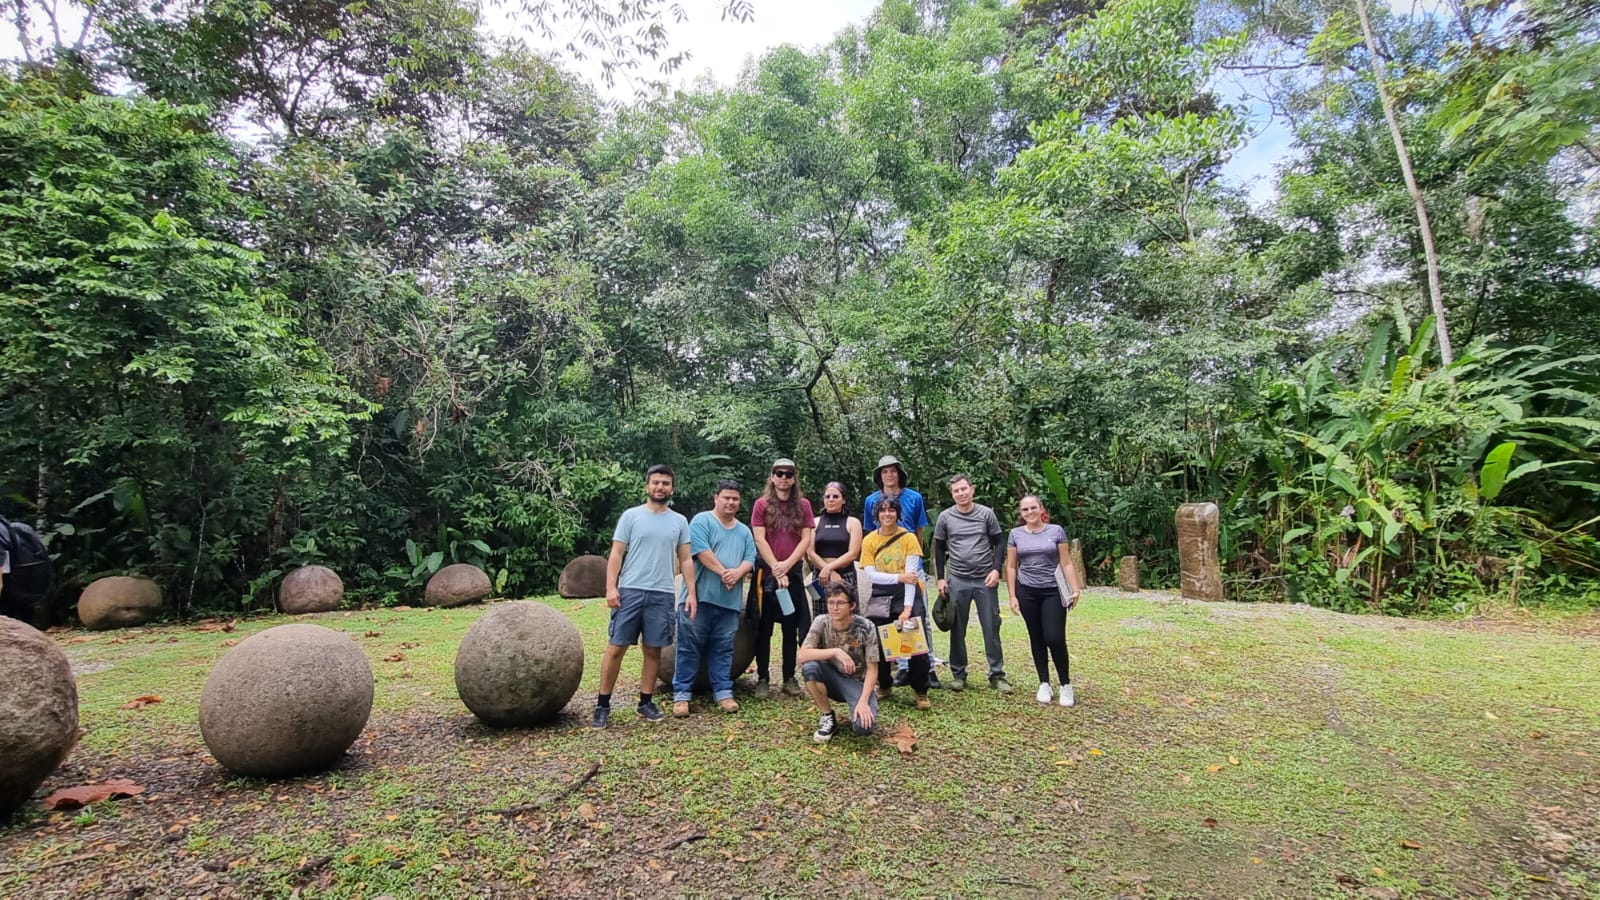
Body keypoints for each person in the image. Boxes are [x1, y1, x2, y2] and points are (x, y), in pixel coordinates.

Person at [595, 464, 696, 728]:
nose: (660, 487)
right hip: (630, 590)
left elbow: (685, 559)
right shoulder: (631, 516)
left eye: (665, 483)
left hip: (662, 593)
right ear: (647, 486)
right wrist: (611, 587)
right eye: (656, 482)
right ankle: (602, 704)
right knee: (616, 647)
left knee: (653, 650)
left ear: (672, 488)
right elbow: (616, 553)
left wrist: (691, 593)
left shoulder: (679, 521)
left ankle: (645, 702)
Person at [673, 480, 757, 718]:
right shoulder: (702, 521)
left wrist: (738, 573)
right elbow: (700, 550)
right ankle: (681, 695)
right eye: (726, 497)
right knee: (688, 647)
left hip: (729, 603)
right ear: (716, 498)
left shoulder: (743, 530)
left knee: (724, 649)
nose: (730, 502)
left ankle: (723, 692)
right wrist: (724, 572)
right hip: (698, 598)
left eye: (735, 499)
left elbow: (750, 557)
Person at [863, 456, 939, 688]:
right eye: (885, 471)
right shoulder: (871, 501)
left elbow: (918, 531)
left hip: (910, 566)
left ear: (899, 474)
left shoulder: (914, 498)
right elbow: (870, 532)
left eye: (893, 471)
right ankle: (903, 669)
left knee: (919, 620)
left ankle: (929, 669)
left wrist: (912, 561)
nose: (889, 475)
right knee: (886, 626)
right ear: (880, 476)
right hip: (884, 575)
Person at [932, 474, 1012, 693]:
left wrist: (996, 570)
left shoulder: (986, 514)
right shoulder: (945, 518)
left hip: (985, 579)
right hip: (957, 578)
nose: (961, 494)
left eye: (964, 489)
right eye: (956, 491)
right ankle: (958, 674)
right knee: (957, 627)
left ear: (972, 489)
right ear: (952, 494)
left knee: (991, 626)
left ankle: (997, 674)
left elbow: (998, 542)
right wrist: (940, 577)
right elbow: (939, 548)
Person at [1005, 494, 1081, 707]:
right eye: (1025, 510)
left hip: (1053, 591)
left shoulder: (1055, 531)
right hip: (1027, 590)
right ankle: (1044, 683)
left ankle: (1065, 684)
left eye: (1033, 508)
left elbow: (1066, 562)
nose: (1030, 513)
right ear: (1021, 514)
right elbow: (1011, 566)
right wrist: (1012, 595)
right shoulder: (1015, 534)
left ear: (1041, 509)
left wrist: (1075, 589)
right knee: (1036, 636)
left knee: (1055, 637)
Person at [748, 458, 815, 698]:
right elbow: (759, 538)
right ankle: (763, 678)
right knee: (763, 628)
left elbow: (806, 539)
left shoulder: (804, 505)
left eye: (788, 474)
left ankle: (789, 677)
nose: (784, 478)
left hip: (793, 573)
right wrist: (776, 567)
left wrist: (787, 566)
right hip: (766, 574)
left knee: (791, 627)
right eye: (779, 473)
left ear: (794, 478)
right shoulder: (761, 505)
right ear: (772, 477)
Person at [860, 501, 931, 711]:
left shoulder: (908, 538)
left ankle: (920, 690)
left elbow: (911, 577)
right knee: (877, 641)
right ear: (877, 515)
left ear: (897, 514)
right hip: (881, 592)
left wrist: (908, 609)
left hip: (907, 593)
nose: (887, 514)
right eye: (882, 511)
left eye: (891, 510)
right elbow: (871, 574)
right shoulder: (870, 540)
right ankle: (884, 684)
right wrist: (898, 577)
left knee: (916, 640)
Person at [798, 581, 880, 742]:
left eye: (840, 603)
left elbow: (872, 669)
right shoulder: (821, 622)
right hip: (832, 677)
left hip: (857, 683)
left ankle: (861, 703)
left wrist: (863, 701)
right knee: (810, 667)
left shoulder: (866, 627)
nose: (834, 607)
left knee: (863, 728)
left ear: (852, 605)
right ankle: (828, 716)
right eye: (831, 602)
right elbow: (802, 655)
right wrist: (836, 652)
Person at [805, 481, 862, 619]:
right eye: (827, 496)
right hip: (820, 577)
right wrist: (827, 570)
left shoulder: (853, 522)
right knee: (821, 619)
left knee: (849, 619)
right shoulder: (814, 522)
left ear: (843, 500)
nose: (831, 500)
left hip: (845, 575)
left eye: (835, 496)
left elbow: (853, 553)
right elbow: (810, 553)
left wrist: (831, 569)